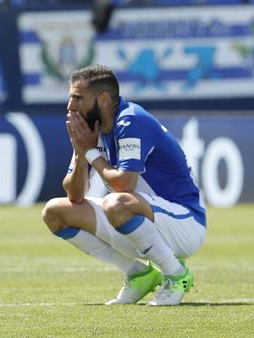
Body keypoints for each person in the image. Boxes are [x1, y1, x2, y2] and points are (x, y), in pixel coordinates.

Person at [42, 64, 205, 306]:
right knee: (55, 212)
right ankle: (138, 274)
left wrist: (91, 153)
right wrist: (81, 153)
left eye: (78, 98)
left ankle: (176, 274)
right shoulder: (93, 129)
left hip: (185, 224)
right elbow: (75, 195)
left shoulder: (130, 120)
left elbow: (124, 184)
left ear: (103, 99)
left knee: (116, 202)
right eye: (70, 98)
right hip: (135, 219)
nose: (70, 106)